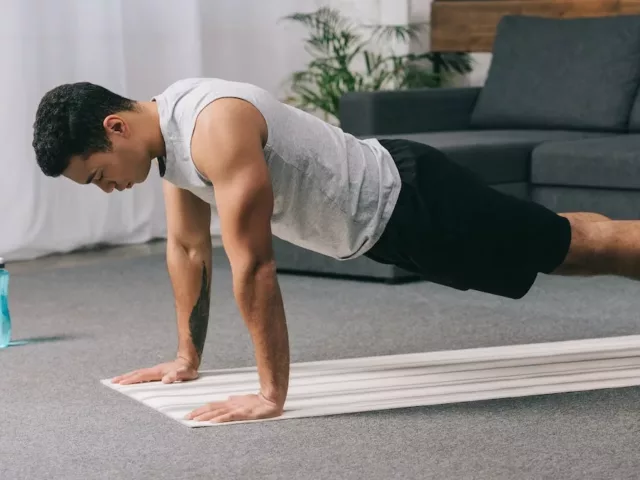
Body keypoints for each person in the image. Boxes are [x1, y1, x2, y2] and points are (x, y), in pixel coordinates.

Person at [32, 78, 630, 424]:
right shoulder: (170, 147)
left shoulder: (213, 126)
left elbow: (255, 265)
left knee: (575, 249)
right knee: (565, 239)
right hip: (390, 224)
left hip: (415, 202)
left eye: (97, 176)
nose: (107, 189)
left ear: (115, 128)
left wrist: (271, 395)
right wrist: (185, 358)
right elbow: (189, 250)